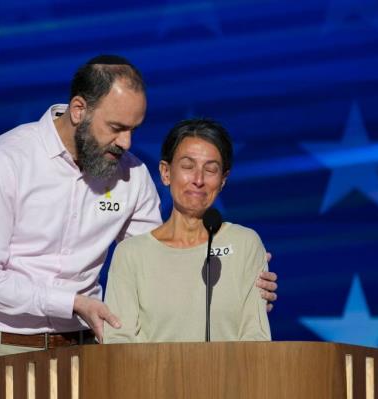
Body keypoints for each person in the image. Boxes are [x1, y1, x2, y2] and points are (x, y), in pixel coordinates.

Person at [0, 55, 277, 398]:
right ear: (78, 110)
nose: (126, 143)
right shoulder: (7, 160)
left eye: (133, 130)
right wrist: (73, 303)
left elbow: (159, 264)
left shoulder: (132, 176)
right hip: (1, 352)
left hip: (86, 356)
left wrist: (239, 280)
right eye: (117, 128)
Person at [104, 119, 271, 343]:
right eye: (187, 166)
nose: (198, 180)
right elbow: (119, 343)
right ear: (165, 172)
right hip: (151, 378)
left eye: (211, 169)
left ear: (223, 181)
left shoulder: (245, 244)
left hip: (230, 378)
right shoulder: (131, 254)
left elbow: (256, 338)